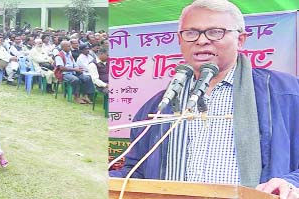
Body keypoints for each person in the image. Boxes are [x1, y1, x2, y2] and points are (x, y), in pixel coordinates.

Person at [109, 1, 299, 199]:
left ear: (240, 39)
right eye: (191, 33)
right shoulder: (160, 106)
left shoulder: (286, 93)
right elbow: (137, 171)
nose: (201, 41)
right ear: (179, 40)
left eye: (215, 32)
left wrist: (291, 183)